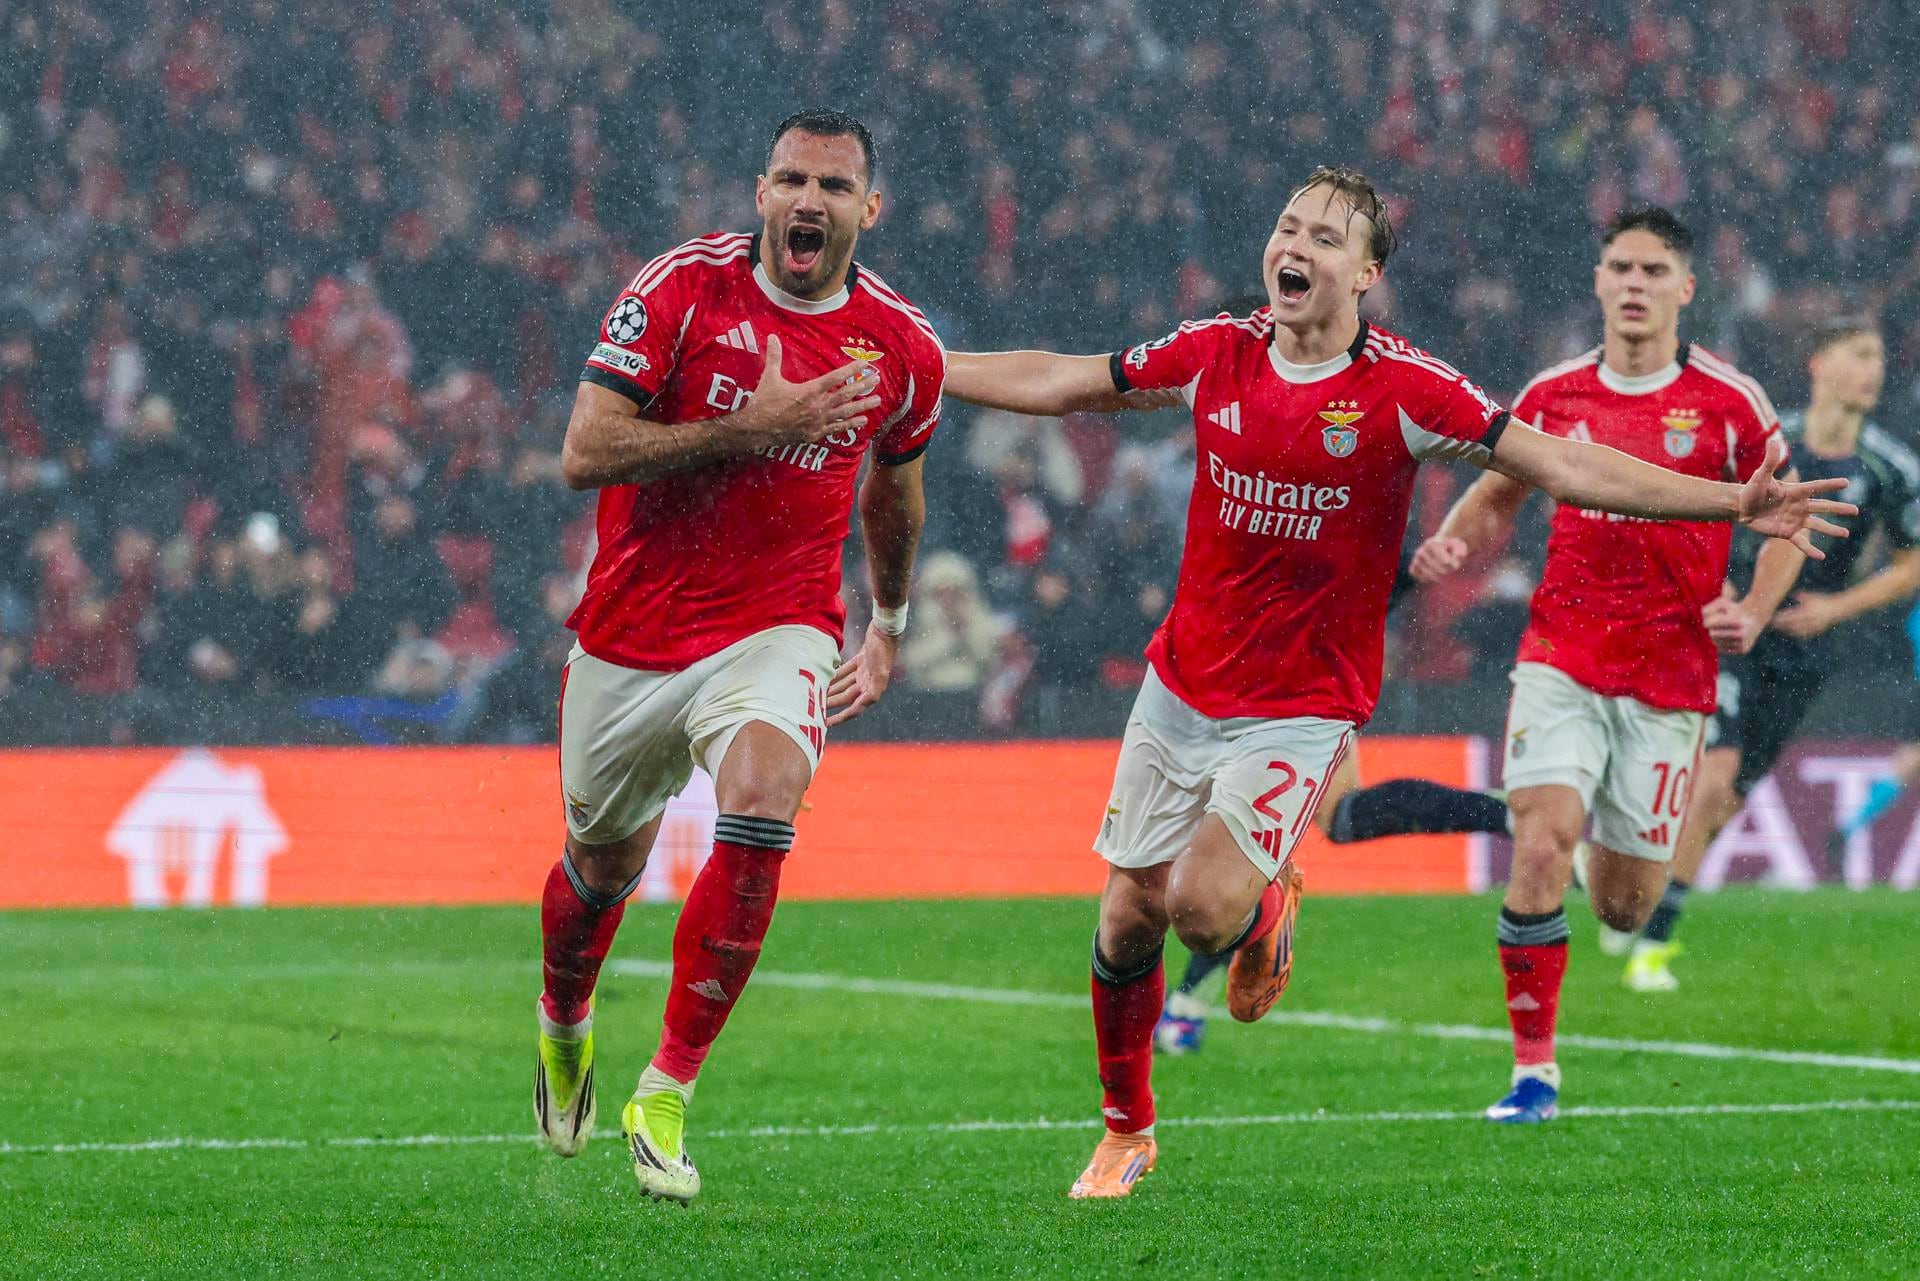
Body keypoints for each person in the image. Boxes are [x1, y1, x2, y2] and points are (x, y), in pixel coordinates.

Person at [942, 173, 1852, 1195]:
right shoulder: (1214, 353)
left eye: (1325, 237)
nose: (1297, 245)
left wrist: (1731, 500)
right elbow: (1064, 378)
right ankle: (1126, 1130)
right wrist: (929, 365)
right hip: (1180, 685)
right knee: (1123, 917)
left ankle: (1262, 911)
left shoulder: (1409, 389)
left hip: (1303, 704)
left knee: (1199, 910)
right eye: (1288, 227)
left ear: (1366, 274)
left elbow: (1564, 466)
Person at [532, 109, 946, 1205]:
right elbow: (585, 450)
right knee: (598, 872)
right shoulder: (678, 290)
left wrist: (889, 623)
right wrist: (753, 425)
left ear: (871, 208)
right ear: (760, 193)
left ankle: (665, 1087)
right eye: (791, 180)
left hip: (780, 624)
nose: (810, 202)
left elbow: (896, 489)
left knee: (765, 804)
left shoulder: (904, 347)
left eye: (835, 186)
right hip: (632, 631)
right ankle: (564, 1022)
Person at [1398, 208, 1816, 1123]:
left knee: (1626, 906)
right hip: (1563, 649)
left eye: (1653, 270)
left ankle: (1602, 858)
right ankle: (1533, 1073)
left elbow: (1786, 520)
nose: (1634, 283)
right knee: (1541, 835)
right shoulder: (1552, 394)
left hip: (1671, 672)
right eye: (1619, 267)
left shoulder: (1731, 403)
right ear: (1597, 282)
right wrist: (1453, 543)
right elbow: (1498, 488)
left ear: (1685, 289)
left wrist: (1753, 607)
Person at [1620, 318, 1920, 988]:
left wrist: (1837, 608)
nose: (1874, 369)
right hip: (1732, 629)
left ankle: (1639, 889)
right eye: (1859, 353)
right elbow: (1698, 505)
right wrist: (1719, 582)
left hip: (1806, 650)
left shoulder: (1891, 468)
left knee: (1724, 801)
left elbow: (1912, 561)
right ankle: (1655, 946)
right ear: (1820, 363)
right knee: (1716, 777)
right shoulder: (1765, 441)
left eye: (1878, 356)